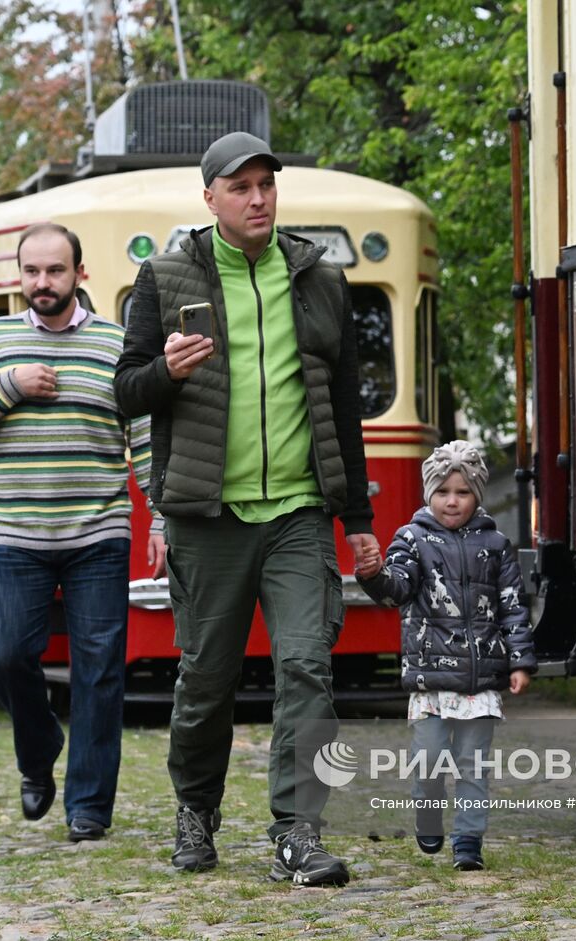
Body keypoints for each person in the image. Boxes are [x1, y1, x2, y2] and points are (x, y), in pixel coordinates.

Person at [114, 131, 381, 887]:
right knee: (207, 678)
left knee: (307, 664)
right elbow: (125, 389)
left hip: (299, 511)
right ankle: (195, 809)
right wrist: (162, 370)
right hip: (208, 515)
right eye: (241, 187)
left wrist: (356, 519)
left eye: (267, 184)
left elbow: (344, 407)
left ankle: (298, 830)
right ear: (210, 199)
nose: (258, 198)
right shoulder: (163, 277)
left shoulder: (319, 280)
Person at [0, 222, 162, 843]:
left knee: (100, 670)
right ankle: (39, 751)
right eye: (32, 271)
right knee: (4, 655)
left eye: (55, 271)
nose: (43, 282)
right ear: (20, 276)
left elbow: (143, 440)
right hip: (15, 533)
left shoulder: (117, 346)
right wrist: (6, 386)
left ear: (79, 276)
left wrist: (161, 518)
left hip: (99, 533)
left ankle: (88, 806)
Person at [357, 441, 536, 871]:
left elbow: (512, 605)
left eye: (462, 492)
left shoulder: (496, 544)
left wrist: (520, 661)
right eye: (442, 492)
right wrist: (375, 576)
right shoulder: (412, 539)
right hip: (431, 678)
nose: (451, 501)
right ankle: (427, 810)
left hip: (480, 681)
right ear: (428, 494)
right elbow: (397, 588)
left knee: (474, 766)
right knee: (430, 759)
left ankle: (468, 842)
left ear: (477, 494)